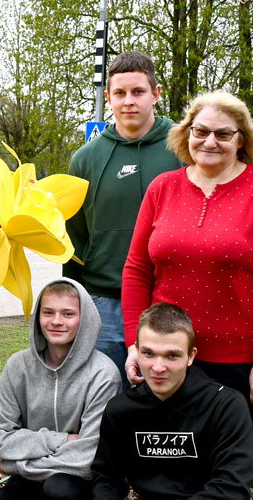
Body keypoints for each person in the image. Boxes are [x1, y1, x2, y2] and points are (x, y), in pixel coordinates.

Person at [122, 90, 253, 451]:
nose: (210, 141)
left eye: (223, 133)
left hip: (234, 365)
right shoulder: (163, 188)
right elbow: (137, 270)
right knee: (165, 466)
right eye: (201, 131)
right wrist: (136, 346)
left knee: (227, 469)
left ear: (241, 139)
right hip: (166, 360)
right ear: (187, 133)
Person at [91, 303, 253, 500]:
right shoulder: (122, 410)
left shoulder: (226, 405)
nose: (158, 367)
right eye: (149, 353)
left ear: (191, 356)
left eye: (172, 356)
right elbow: (106, 477)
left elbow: (231, 490)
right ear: (136, 352)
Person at [63, 51, 183, 387]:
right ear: (108, 98)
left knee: (166, 407)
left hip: (169, 299)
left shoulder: (183, 150)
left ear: (156, 94)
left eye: (138, 92)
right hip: (103, 304)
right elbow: (73, 239)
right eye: (120, 93)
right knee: (107, 405)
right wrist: (73, 300)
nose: (128, 101)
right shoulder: (86, 159)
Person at [0, 278, 121, 500]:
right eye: (49, 312)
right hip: (27, 483)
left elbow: (89, 454)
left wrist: (15, 463)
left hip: (75, 483)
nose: (57, 321)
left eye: (68, 314)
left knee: (58, 489)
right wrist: (62, 439)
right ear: (38, 317)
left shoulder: (103, 374)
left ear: (85, 319)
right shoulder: (18, 366)